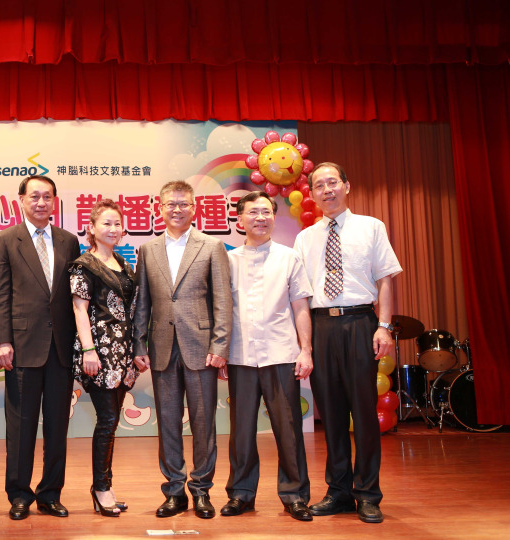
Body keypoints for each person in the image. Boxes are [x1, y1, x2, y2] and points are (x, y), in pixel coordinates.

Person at [293, 162, 401, 524]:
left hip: (359, 323)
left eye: (332, 182)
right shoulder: (305, 238)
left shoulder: (372, 227)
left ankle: (368, 494)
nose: (327, 190)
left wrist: (383, 326)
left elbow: (385, 280)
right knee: (332, 414)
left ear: (346, 186)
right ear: (312, 194)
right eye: (319, 185)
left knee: (364, 414)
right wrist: (305, 344)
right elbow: (300, 295)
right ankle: (338, 492)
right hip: (322, 326)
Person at [133, 180, 231, 520]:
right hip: (161, 347)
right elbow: (142, 303)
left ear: (194, 208)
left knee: (203, 423)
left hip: (201, 349)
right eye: (170, 204)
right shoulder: (148, 250)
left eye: (183, 204)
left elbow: (222, 300)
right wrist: (138, 343)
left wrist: (220, 344)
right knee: (168, 423)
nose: (177, 209)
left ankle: (201, 490)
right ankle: (174, 491)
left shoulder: (212, 246)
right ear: (159, 209)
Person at [0, 175, 81, 520]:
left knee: (57, 427)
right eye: (34, 197)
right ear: (21, 200)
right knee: (21, 427)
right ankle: (19, 495)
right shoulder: (5, 240)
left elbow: (74, 296)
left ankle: (50, 494)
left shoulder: (69, 241)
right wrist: (2, 340)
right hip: (22, 347)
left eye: (47, 197)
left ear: (55, 201)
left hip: (60, 349)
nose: (41, 203)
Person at [220, 191, 314, 522]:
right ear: (240, 219)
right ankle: (241, 494)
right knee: (241, 432)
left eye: (266, 212)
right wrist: (220, 352)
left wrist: (306, 350)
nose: (260, 218)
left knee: (288, 429)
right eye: (253, 212)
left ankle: (295, 494)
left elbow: (300, 306)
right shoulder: (228, 260)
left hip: (281, 353)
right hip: (240, 356)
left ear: (274, 217)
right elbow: (221, 311)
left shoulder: (289, 258)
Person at [69, 198, 141, 517]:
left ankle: (105, 487)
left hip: (123, 354)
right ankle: (100, 489)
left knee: (110, 424)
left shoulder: (124, 264)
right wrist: (88, 350)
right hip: (98, 353)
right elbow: (79, 309)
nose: (113, 228)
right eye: (106, 223)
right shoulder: (84, 265)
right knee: (108, 419)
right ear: (92, 228)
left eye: (117, 223)